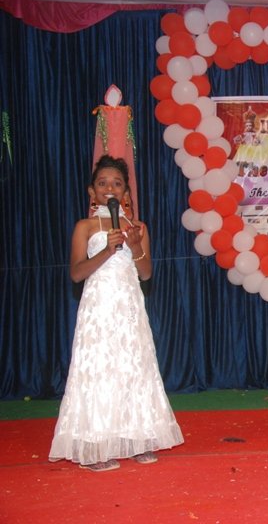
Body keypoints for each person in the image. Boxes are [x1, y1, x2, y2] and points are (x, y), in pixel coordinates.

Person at [49, 155, 184, 471]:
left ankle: (134, 439)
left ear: (125, 192)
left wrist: (135, 246)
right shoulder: (84, 227)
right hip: (98, 308)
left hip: (129, 307)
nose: (109, 188)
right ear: (92, 191)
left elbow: (146, 273)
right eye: (102, 183)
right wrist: (108, 250)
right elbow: (76, 274)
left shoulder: (138, 227)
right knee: (99, 368)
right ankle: (95, 446)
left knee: (133, 367)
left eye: (117, 183)